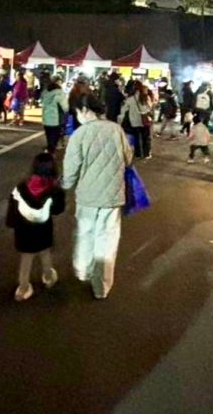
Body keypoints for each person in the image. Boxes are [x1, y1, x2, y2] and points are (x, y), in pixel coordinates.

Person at [62, 93, 133, 300]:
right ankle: (101, 287)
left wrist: (65, 185)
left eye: (77, 112)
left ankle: (83, 270)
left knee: (85, 233)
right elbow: (128, 159)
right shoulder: (116, 129)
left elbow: (71, 169)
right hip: (112, 195)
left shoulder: (79, 134)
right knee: (107, 240)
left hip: (88, 195)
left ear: (85, 110)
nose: (77, 116)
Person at [7, 152, 66, 302]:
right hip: (43, 229)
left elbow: (12, 209)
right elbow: (58, 209)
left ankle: (23, 289)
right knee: (45, 253)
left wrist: (12, 223)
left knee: (26, 258)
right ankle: (48, 277)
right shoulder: (54, 189)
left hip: (23, 230)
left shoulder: (21, 187)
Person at [119, 80, 151, 160]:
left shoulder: (130, 99)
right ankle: (146, 153)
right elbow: (149, 108)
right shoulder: (145, 97)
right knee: (145, 138)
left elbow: (124, 110)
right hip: (144, 121)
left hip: (134, 121)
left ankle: (138, 154)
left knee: (136, 138)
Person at [40, 75, 68, 154]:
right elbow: (65, 107)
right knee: (55, 137)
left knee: (49, 136)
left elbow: (42, 102)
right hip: (56, 119)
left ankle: (49, 150)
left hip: (46, 118)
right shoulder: (59, 93)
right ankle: (51, 152)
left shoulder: (45, 93)